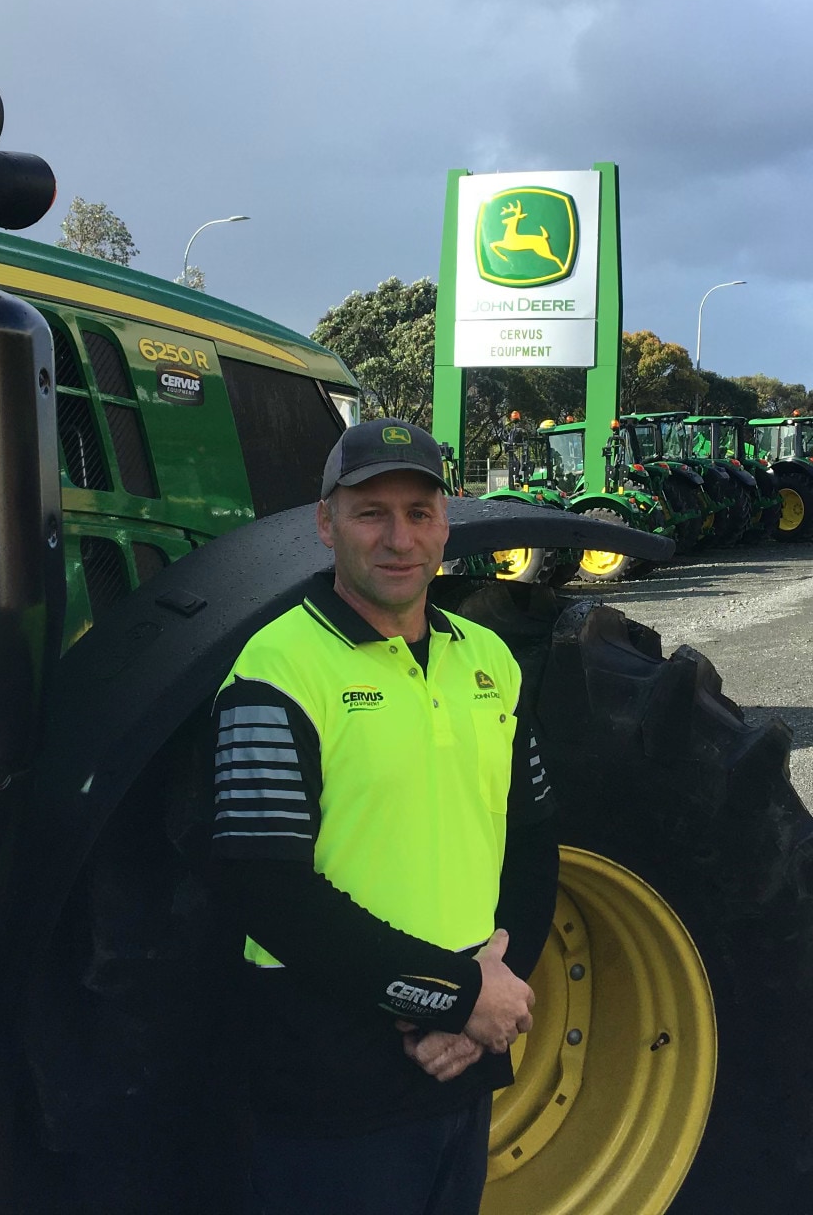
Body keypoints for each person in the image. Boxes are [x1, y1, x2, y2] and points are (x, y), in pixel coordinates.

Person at [212, 418, 560, 1215]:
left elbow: (533, 845)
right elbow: (268, 892)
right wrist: (458, 997)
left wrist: (487, 1005)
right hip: (331, 1083)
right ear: (326, 522)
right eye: (372, 512)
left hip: (458, 1067)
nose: (399, 538)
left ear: (447, 524)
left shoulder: (489, 660)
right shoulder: (275, 669)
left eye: (420, 511)